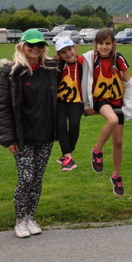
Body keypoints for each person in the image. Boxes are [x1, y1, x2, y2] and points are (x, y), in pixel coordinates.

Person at [0, 29, 58, 238]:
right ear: (22, 46)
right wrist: (9, 138)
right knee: (26, 178)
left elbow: (76, 64)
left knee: (37, 179)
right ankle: (20, 220)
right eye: (31, 45)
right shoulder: (12, 73)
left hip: (45, 134)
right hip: (23, 136)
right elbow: (4, 107)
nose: (35, 48)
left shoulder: (51, 69)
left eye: (39, 45)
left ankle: (30, 217)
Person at [82, 29, 132, 196]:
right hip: (101, 100)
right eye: (101, 43)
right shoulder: (91, 59)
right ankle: (97, 150)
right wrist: (87, 103)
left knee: (118, 141)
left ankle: (117, 176)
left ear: (114, 44)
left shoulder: (118, 58)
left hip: (117, 101)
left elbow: (129, 82)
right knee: (112, 120)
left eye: (108, 43)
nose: (104, 47)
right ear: (95, 44)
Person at [55, 37, 84, 172]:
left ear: (75, 48)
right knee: (60, 125)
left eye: (69, 49)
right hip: (60, 100)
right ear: (59, 55)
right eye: (63, 52)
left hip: (77, 100)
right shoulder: (56, 64)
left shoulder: (83, 62)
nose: (68, 53)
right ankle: (68, 156)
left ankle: (67, 154)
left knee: (74, 124)